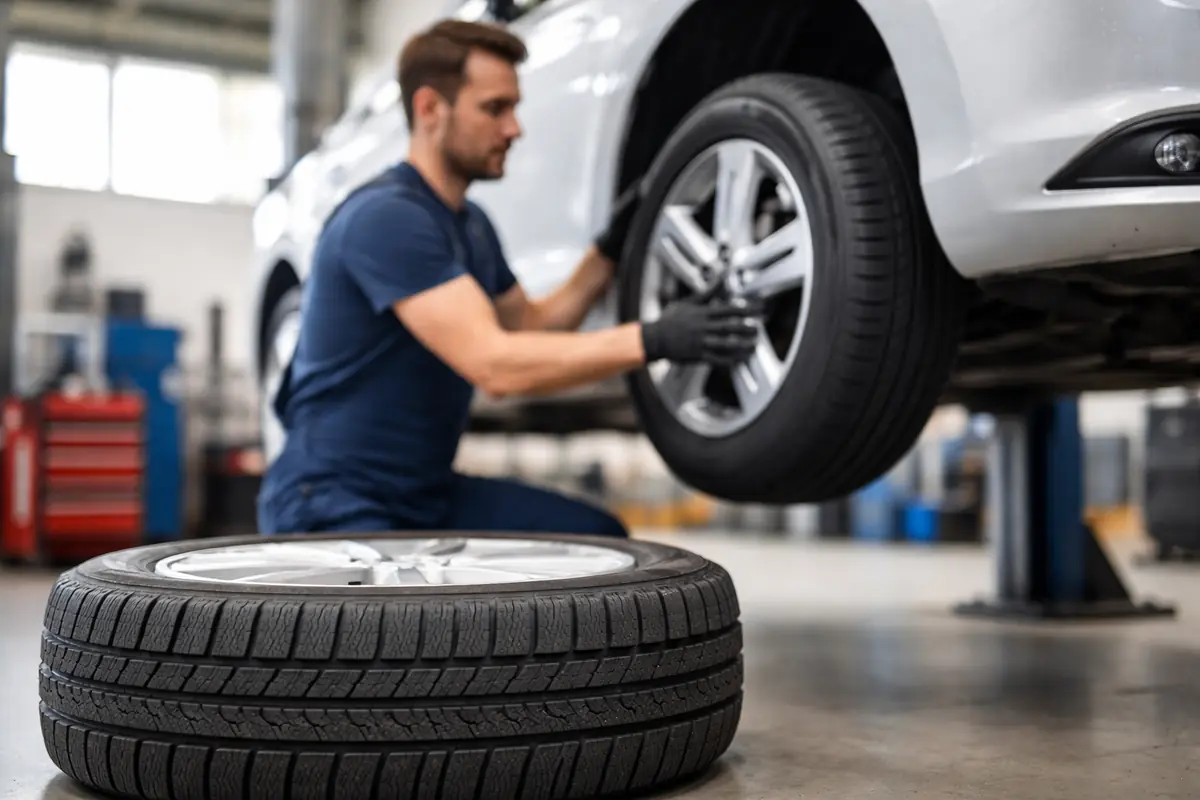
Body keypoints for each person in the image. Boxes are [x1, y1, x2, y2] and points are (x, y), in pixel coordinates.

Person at [256, 19, 762, 539]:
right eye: (495, 108)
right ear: (431, 109)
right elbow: (496, 366)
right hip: (330, 498)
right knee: (412, 618)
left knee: (598, 539)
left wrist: (609, 248)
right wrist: (657, 339)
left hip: (425, 493)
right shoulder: (386, 218)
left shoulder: (472, 227)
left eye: (514, 108)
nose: (514, 128)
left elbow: (537, 327)